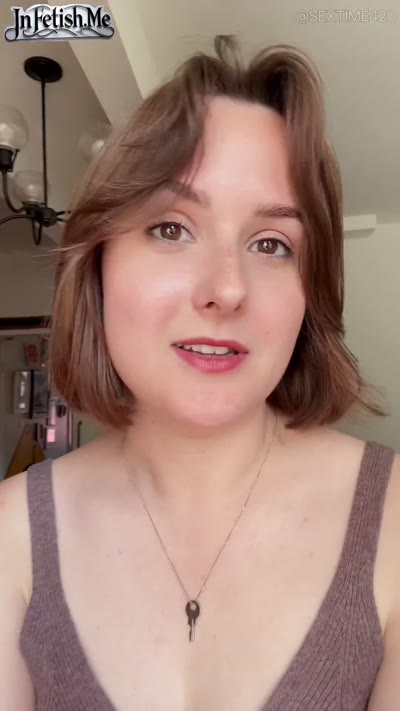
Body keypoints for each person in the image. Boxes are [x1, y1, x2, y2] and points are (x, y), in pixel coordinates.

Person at [0, 34, 399, 711]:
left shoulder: (394, 523)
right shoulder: (12, 533)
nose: (227, 289)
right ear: (98, 264)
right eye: (171, 229)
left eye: (271, 243)